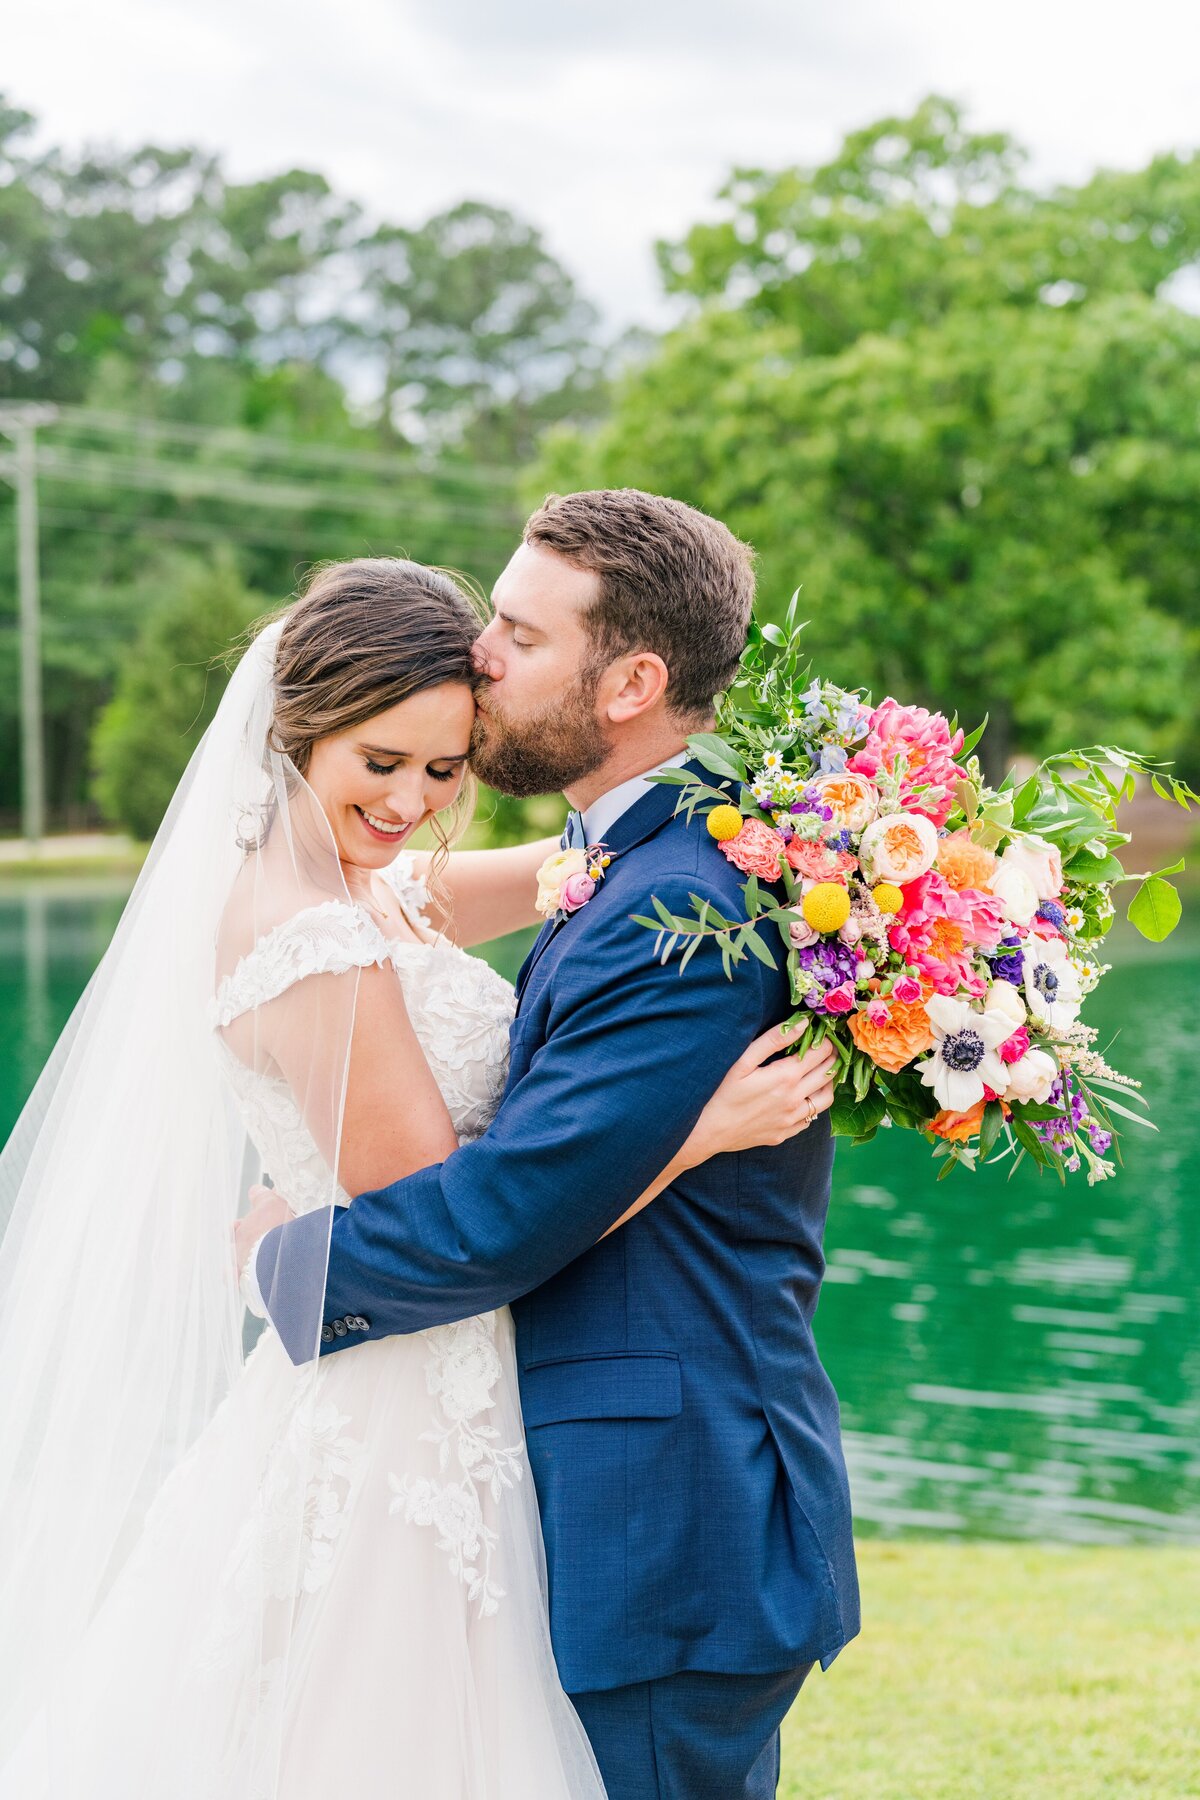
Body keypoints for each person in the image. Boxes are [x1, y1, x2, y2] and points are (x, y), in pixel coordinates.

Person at [0, 545, 837, 1799]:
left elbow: (559, 880)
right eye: (378, 764)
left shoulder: (366, 888)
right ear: (298, 738)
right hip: (406, 1396)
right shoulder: (313, 937)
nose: (409, 800)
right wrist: (691, 1131)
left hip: (457, 1381)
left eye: (444, 768)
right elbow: (471, 1215)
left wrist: (749, 834)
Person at [244, 491, 860, 1800]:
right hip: (553, 1473)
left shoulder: (681, 908)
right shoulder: (621, 854)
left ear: (632, 680)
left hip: (664, 1509)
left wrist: (282, 1269)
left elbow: (507, 1212)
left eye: (517, 634)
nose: (480, 656)